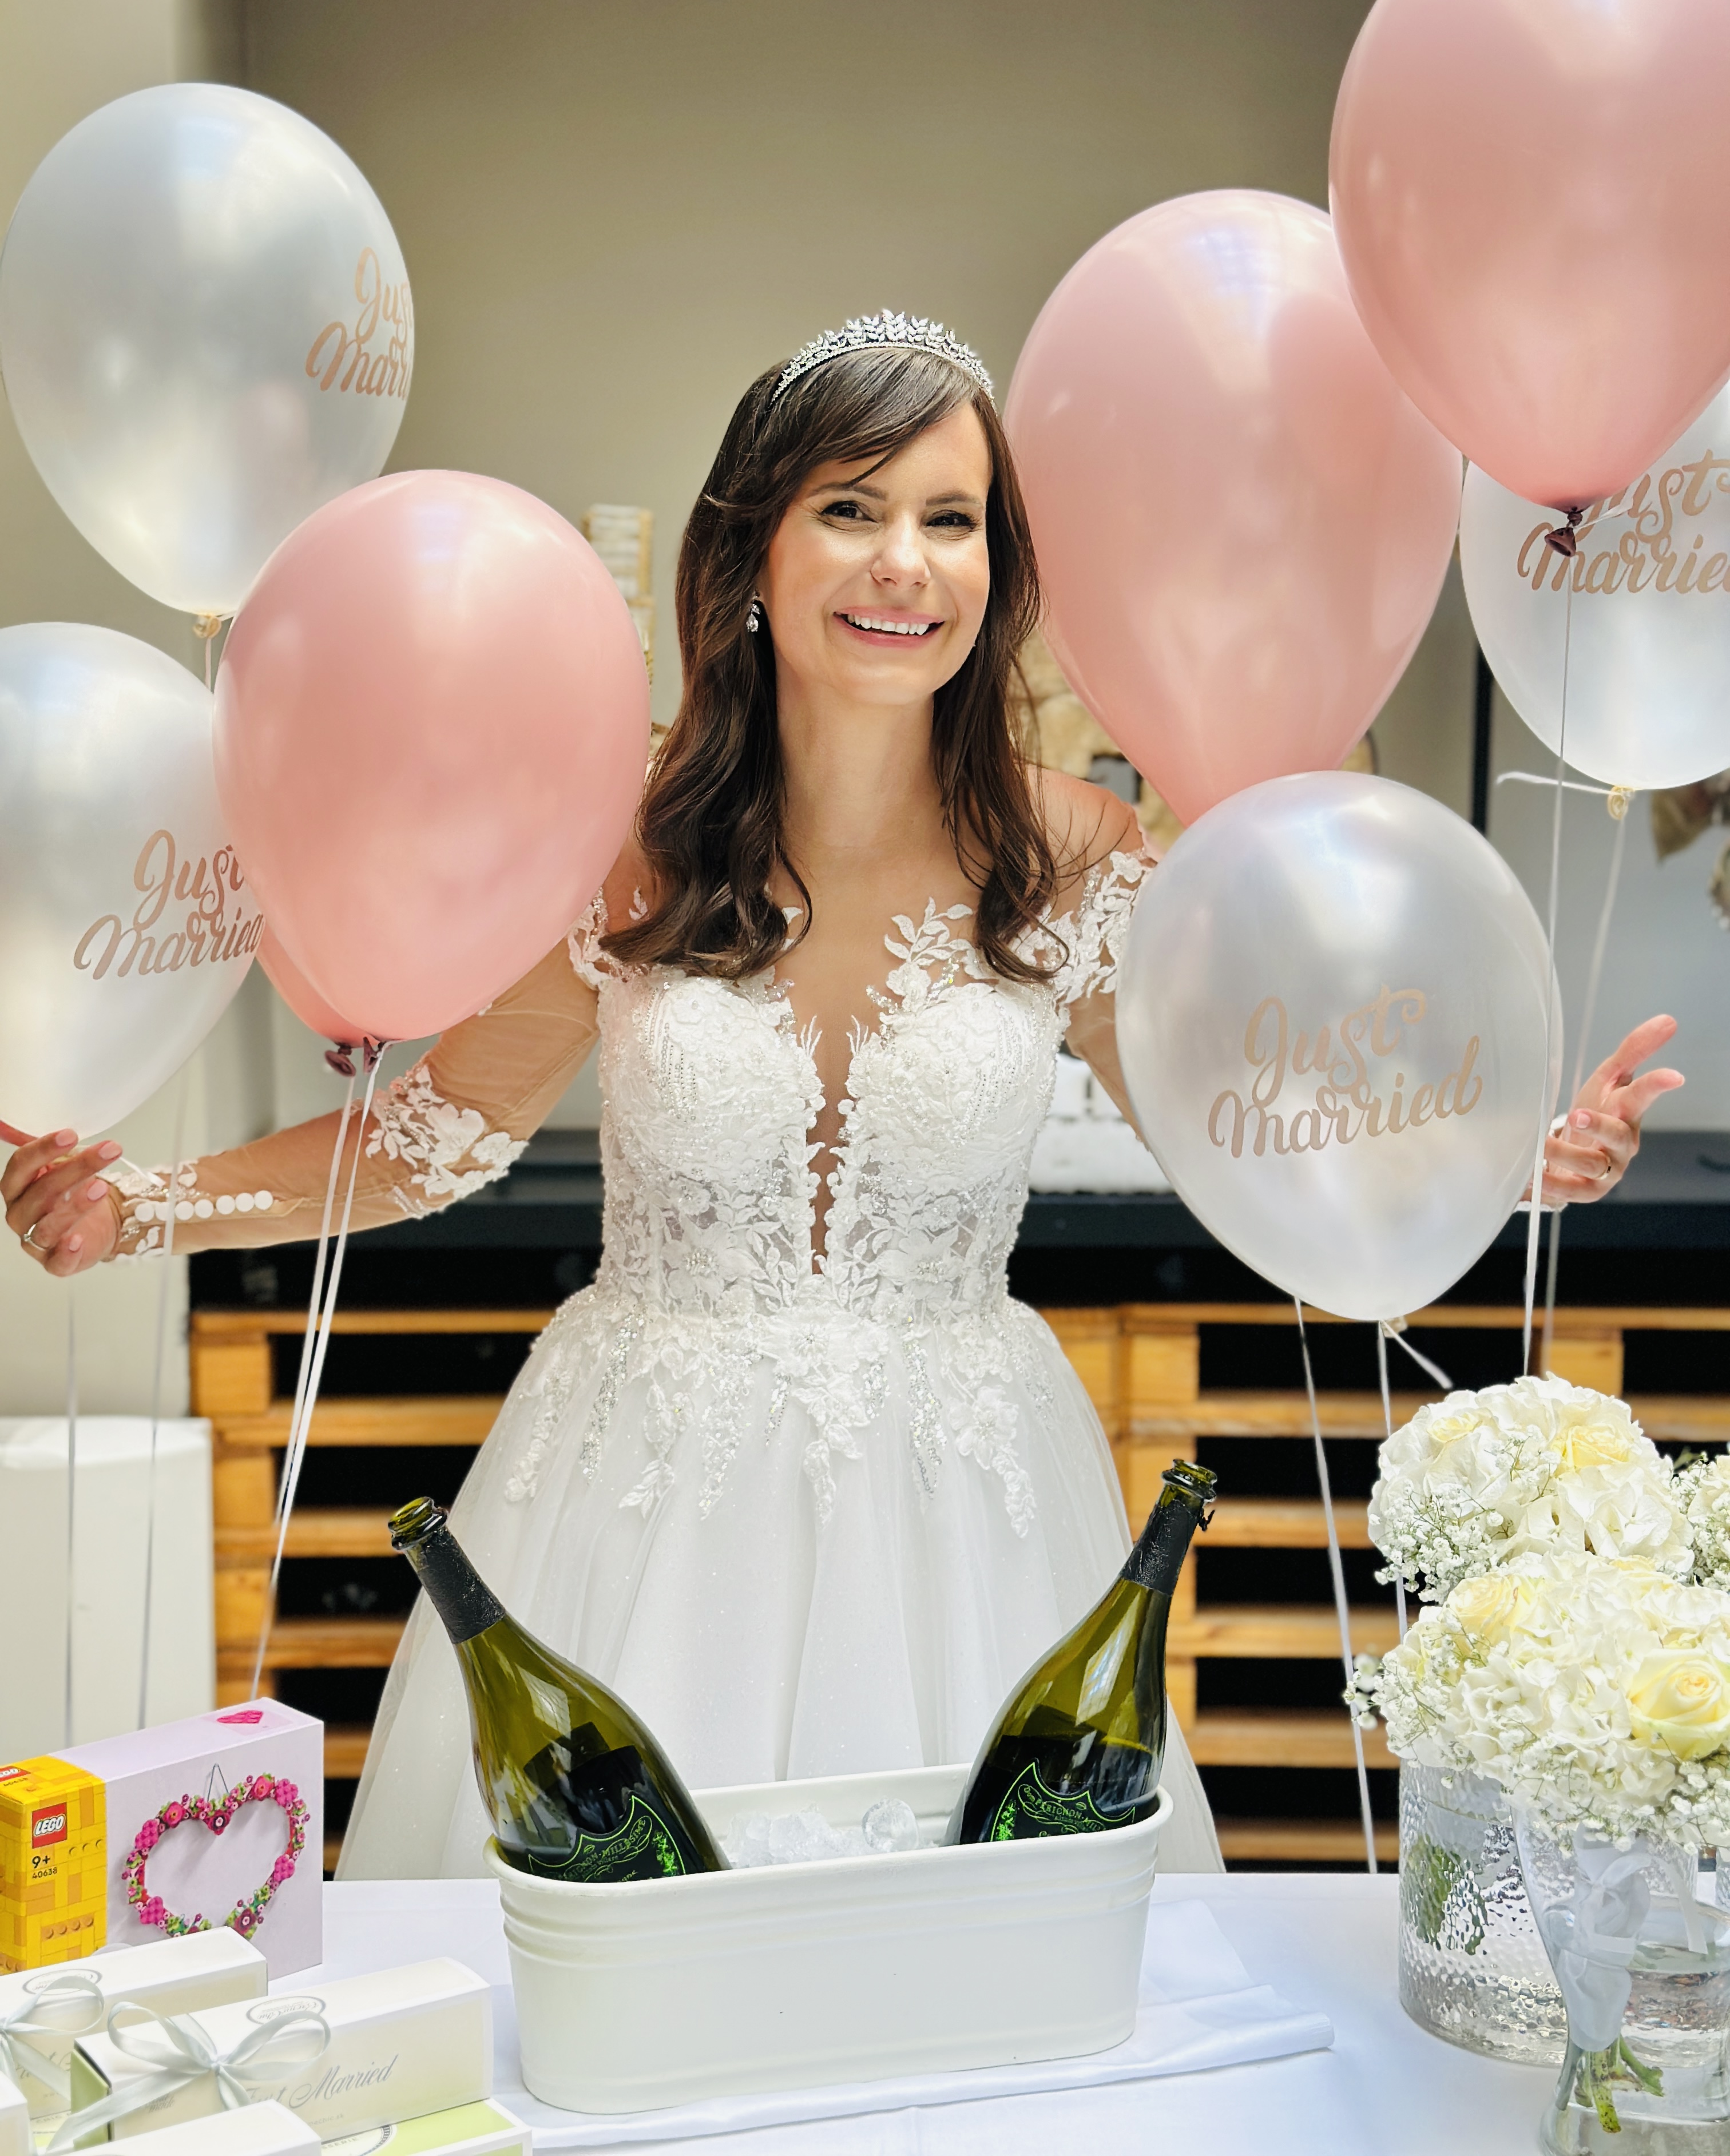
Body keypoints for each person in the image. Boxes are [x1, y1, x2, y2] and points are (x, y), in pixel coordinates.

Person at [3, 312, 1682, 1881]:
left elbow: (1240, 1130)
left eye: (951, 521)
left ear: (993, 572)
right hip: (643, 1505)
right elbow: (434, 1142)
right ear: (752, 552)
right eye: (852, 510)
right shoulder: (628, 841)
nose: (905, 563)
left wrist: (1506, 1163)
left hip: (967, 1516)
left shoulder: (1071, 856)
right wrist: (141, 1204)